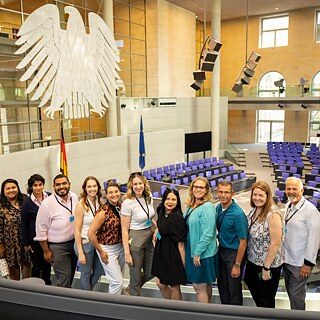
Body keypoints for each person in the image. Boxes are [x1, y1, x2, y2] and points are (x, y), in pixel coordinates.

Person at [244, 181, 284, 308]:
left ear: (267, 196)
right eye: (254, 195)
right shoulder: (255, 210)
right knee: (252, 287)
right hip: (253, 261)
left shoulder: (273, 215)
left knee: (265, 299)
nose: (257, 198)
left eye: (261, 195)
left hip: (267, 265)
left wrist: (266, 268)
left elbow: (276, 243)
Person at [34, 174, 78, 288]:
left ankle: (68, 298)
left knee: (71, 275)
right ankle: (62, 303)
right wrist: (46, 251)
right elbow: (40, 231)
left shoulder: (74, 197)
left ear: (69, 184)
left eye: (64, 183)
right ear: (53, 186)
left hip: (74, 243)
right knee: (64, 278)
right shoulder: (46, 204)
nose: (61, 186)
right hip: (58, 247)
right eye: (58, 184)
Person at [283, 177, 320, 310]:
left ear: (302, 190)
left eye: (294, 189)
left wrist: (308, 263)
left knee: (296, 297)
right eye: (288, 188)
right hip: (287, 259)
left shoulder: (310, 211)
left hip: (300, 263)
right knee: (290, 293)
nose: (291, 191)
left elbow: (314, 238)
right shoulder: (288, 205)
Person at [121, 172, 156, 296]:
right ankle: (135, 303)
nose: (138, 186)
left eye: (140, 183)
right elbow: (124, 230)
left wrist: (157, 228)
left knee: (152, 271)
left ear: (144, 184)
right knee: (135, 276)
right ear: (131, 186)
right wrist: (127, 254)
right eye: (135, 184)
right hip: (135, 239)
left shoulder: (149, 197)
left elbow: (149, 216)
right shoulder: (127, 203)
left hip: (149, 235)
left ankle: (131, 288)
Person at [184, 177, 218, 303]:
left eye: (201, 187)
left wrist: (198, 253)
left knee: (199, 287)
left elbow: (208, 233)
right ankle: (208, 313)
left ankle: (203, 314)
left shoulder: (207, 207)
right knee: (205, 285)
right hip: (194, 250)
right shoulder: (190, 206)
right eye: (196, 187)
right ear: (192, 188)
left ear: (206, 190)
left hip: (201, 253)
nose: (198, 189)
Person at [88, 180, 125, 295]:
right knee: (117, 282)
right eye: (110, 193)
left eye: (116, 191)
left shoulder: (121, 206)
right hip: (107, 249)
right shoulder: (103, 212)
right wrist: (101, 251)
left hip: (120, 246)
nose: (114, 194)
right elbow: (90, 234)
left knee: (120, 279)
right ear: (106, 195)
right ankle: (110, 307)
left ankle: (119, 303)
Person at [216, 180, 248, 305]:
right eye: (221, 192)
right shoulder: (218, 207)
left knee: (233, 288)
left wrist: (237, 265)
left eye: (226, 192)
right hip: (222, 251)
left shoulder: (238, 214)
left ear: (232, 194)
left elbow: (243, 241)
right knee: (222, 286)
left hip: (234, 254)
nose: (223, 195)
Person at [152, 188, 186, 300]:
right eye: (168, 199)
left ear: (177, 202)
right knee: (160, 283)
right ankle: (171, 306)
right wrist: (157, 230)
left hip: (173, 255)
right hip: (162, 253)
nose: (170, 202)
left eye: (173, 199)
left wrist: (183, 265)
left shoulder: (177, 218)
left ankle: (177, 311)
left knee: (175, 286)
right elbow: (160, 224)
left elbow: (181, 244)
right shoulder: (161, 210)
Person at [74, 176, 104, 290]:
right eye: (89, 186)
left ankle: (88, 291)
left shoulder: (98, 202)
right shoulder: (81, 205)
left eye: (94, 186)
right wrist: (80, 252)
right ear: (85, 189)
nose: (92, 189)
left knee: (100, 269)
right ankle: (86, 298)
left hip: (96, 241)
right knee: (86, 273)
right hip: (84, 243)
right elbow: (76, 230)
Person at [21, 174, 52, 285]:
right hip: (34, 239)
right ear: (31, 187)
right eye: (35, 185)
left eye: (40, 185)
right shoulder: (27, 203)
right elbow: (24, 224)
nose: (38, 188)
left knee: (47, 263)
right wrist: (26, 243)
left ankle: (47, 285)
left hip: (49, 237)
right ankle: (35, 288)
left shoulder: (50, 196)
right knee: (37, 265)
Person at [0, 178, 30, 280]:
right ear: (3, 191)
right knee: (13, 269)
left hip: (26, 241)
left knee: (27, 263)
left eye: (13, 187)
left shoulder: (25, 199)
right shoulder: (0, 205)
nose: (11, 190)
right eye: (8, 188)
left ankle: (27, 289)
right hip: (9, 244)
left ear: (17, 188)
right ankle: (16, 291)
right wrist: (1, 246)